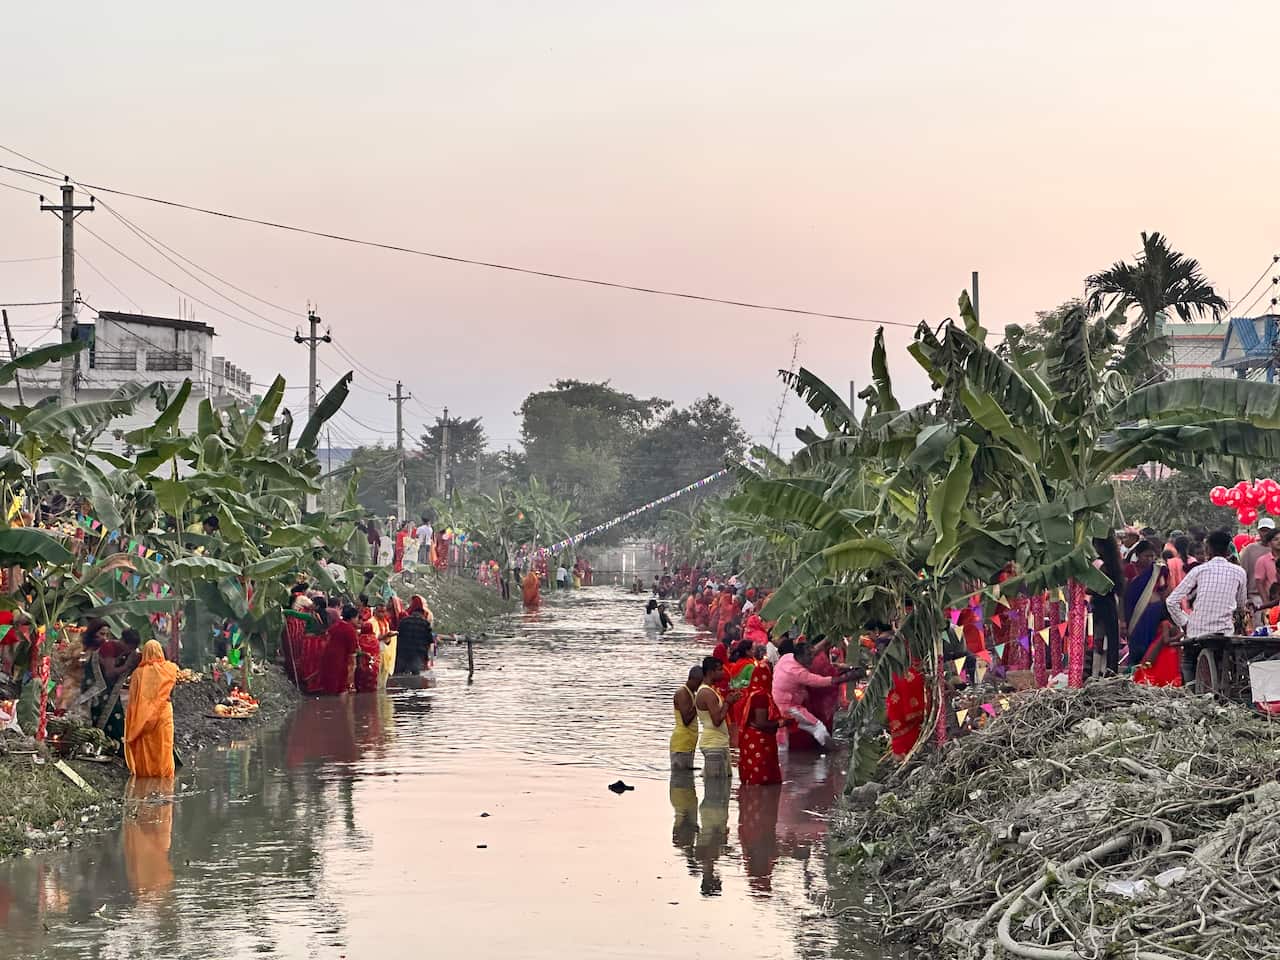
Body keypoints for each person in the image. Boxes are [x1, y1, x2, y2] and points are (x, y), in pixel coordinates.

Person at [1166, 529, 1247, 684]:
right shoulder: (1239, 572)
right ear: (1228, 549)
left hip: (1197, 631)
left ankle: (1190, 691)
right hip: (1224, 633)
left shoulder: (1199, 570)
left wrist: (1185, 623)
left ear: (1208, 549)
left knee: (1188, 661)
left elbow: (1171, 601)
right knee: (1227, 660)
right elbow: (1241, 605)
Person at [772, 638, 856, 748]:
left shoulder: (787, 657)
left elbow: (814, 651)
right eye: (809, 655)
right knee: (818, 727)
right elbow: (821, 681)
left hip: (776, 702)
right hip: (788, 707)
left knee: (782, 740)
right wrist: (848, 677)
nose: (812, 657)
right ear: (801, 656)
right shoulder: (798, 673)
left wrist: (827, 639)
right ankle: (832, 751)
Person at [124, 640, 179, 777]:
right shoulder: (170, 669)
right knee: (163, 746)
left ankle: (145, 778)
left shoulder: (138, 673)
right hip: (164, 713)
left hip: (143, 718)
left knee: (145, 748)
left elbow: (133, 700)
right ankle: (165, 780)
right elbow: (171, 694)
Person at [79, 619, 136, 742]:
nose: (104, 638)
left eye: (107, 634)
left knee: (116, 719)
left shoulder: (122, 651)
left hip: (107, 692)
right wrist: (127, 666)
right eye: (130, 648)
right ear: (124, 642)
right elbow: (110, 673)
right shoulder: (109, 647)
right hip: (97, 691)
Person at [737, 661, 785, 785]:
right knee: (760, 779)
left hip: (749, 738)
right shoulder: (761, 696)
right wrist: (781, 723)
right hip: (759, 741)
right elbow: (761, 722)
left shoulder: (749, 692)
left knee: (752, 778)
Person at [1123, 540, 1169, 669]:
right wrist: (1122, 619)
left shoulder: (1158, 570)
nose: (1149, 559)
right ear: (1137, 555)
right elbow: (1123, 593)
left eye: (1152, 556)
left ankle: (1148, 673)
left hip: (1153, 614)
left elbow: (1163, 590)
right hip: (1133, 613)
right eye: (1146, 556)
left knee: (1150, 646)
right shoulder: (1130, 569)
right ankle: (1134, 672)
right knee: (1136, 646)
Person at [696, 657, 740, 778]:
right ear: (711, 672)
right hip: (713, 745)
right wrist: (727, 703)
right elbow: (716, 721)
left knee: (723, 784)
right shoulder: (707, 693)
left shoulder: (711, 690)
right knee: (715, 786)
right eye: (720, 670)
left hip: (719, 743)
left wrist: (729, 702)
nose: (723, 672)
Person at [1091, 536, 1126, 677]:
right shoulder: (1113, 565)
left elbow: (1093, 588)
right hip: (1110, 605)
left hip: (1099, 605)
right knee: (1109, 641)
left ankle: (1097, 672)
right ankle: (1108, 671)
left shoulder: (1100, 565)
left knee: (1098, 639)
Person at [1133, 605, 1182, 687]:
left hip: (1171, 652)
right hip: (1163, 651)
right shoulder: (1166, 623)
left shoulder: (1176, 624)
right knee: (1158, 670)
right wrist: (1179, 636)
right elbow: (1166, 640)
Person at [316, 605, 360, 696]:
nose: (358, 620)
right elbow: (352, 652)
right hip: (340, 661)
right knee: (341, 689)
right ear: (352, 618)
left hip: (327, 658)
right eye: (357, 618)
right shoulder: (350, 630)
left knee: (329, 687)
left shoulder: (335, 625)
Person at [670, 665, 703, 771]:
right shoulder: (683, 693)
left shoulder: (692, 693)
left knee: (686, 779)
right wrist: (698, 702)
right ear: (692, 679)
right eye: (699, 683)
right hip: (681, 745)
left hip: (688, 745)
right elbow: (686, 720)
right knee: (680, 778)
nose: (700, 686)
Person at [395, 595, 434, 674]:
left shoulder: (403, 621)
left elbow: (398, 637)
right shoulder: (425, 623)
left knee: (399, 674)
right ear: (422, 613)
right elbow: (429, 641)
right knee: (415, 675)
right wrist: (426, 659)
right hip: (418, 654)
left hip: (403, 653)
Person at [1243, 524, 1277, 603]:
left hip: (1275, 597)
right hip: (1255, 596)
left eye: (1268, 531)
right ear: (1259, 531)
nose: (1266, 533)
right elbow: (1244, 573)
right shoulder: (1250, 549)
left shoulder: (1276, 551)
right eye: (1263, 530)